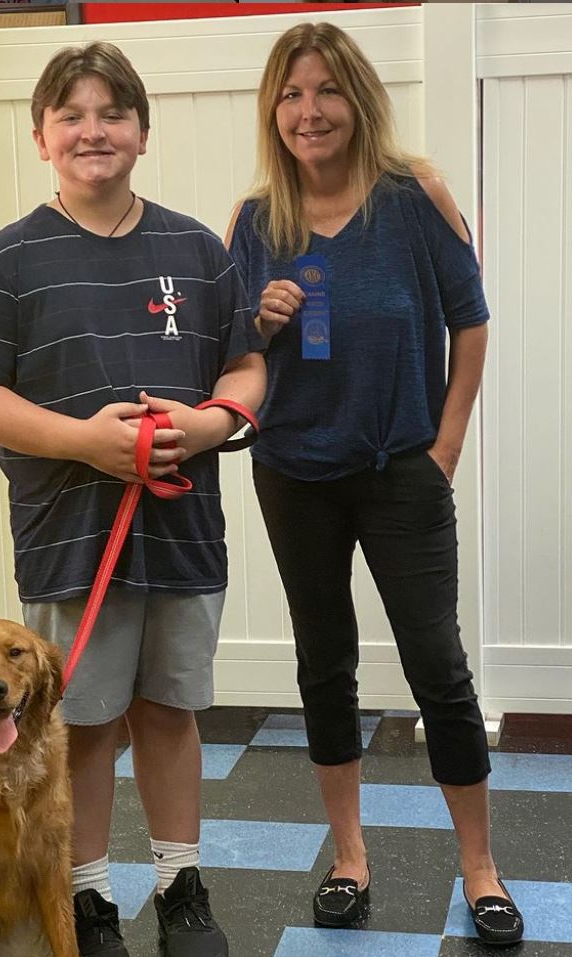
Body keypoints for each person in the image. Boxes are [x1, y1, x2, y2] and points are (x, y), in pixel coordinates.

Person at [0, 41, 265, 957]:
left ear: (142, 133)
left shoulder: (196, 249)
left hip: (182, 532)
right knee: (77, 722)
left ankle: (180, 884)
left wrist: (210, 424)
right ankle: (83, 894)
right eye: (71, 116)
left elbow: (245, 365)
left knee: (169, 709)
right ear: (40, 137)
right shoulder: (7, 258)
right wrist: (85, 442)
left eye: (112, 113)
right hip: (69, 537)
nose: (93, 131)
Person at [226, 21, 523, 947]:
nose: (308, 111)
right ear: (272, 111)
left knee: (438, 667)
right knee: (325, 665)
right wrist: (258, 323)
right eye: (290, 94)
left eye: (325, 90)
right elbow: (228, 358)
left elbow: (469, 320)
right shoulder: (254, 221)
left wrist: (445, 447)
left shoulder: (411, 195)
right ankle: (349, 859)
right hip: (293, 473)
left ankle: (480, 867)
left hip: (402, 468)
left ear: (356, 99)